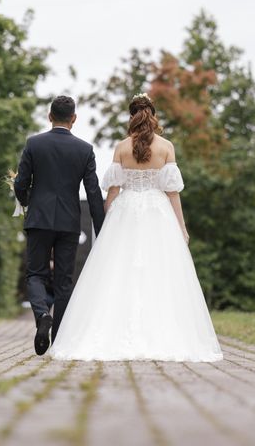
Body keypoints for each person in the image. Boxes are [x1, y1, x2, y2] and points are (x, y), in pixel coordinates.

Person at [49, 93, 223, 362]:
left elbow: (113, 191)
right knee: (161, 273)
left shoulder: (121, 147)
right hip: (158, 212)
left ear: (132, 117)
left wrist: (107, 221)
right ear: (153, 116)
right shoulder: (166, 147)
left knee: (118, 270)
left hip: (126, 211)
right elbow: (173, 192)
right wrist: (182, 227)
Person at [14, 96, 105, 356]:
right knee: (64, 281)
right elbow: (93, 192)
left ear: (49, 116)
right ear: (74, 119)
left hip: (39, 220)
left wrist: (26, 203)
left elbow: (21, 183)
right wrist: (101, 228)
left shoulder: (34, 144)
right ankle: (59, 339)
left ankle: (42, 314)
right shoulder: (85, 150)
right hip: (68, 223)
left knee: (35, 275)